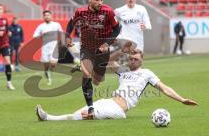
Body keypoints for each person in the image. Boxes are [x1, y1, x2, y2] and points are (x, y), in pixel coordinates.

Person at [35, 50, 198, 121]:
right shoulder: (123, 71)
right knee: (82, 111)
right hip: (109, 102)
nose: (132, 60)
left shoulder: (147, 73)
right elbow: (109, 60)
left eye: (136, 59)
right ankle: (50, 117)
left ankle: (48, 118)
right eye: (131, 58)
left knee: (84, 115)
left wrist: (182, 99)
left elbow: (164, 88)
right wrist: (121, 50)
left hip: (118, 109)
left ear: (142, 60)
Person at [66, 0, 121, 118]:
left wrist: (106, 44)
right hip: (87, 47)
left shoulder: (108, 11)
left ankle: (84, 67)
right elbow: (70, 23)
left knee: (97, 80)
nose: (100, 2)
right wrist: (68, 35)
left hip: (102, 49)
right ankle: (90, 107)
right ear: (89, 0)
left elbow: (117, 29)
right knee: (86, 74)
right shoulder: (80, 11)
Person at [33, 10, 63, 85]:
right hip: (45, 48)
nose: (47, 16)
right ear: (43, 17)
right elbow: (35, 36)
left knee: (53, 64)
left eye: (48, 15)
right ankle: (48, 78)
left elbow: (61, 33)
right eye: (45, 15)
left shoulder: (56, 25)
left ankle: (50, 69)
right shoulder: (41, 26)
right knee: (46, 66)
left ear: (51, 16)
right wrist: (41, 35)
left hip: (54, 48)